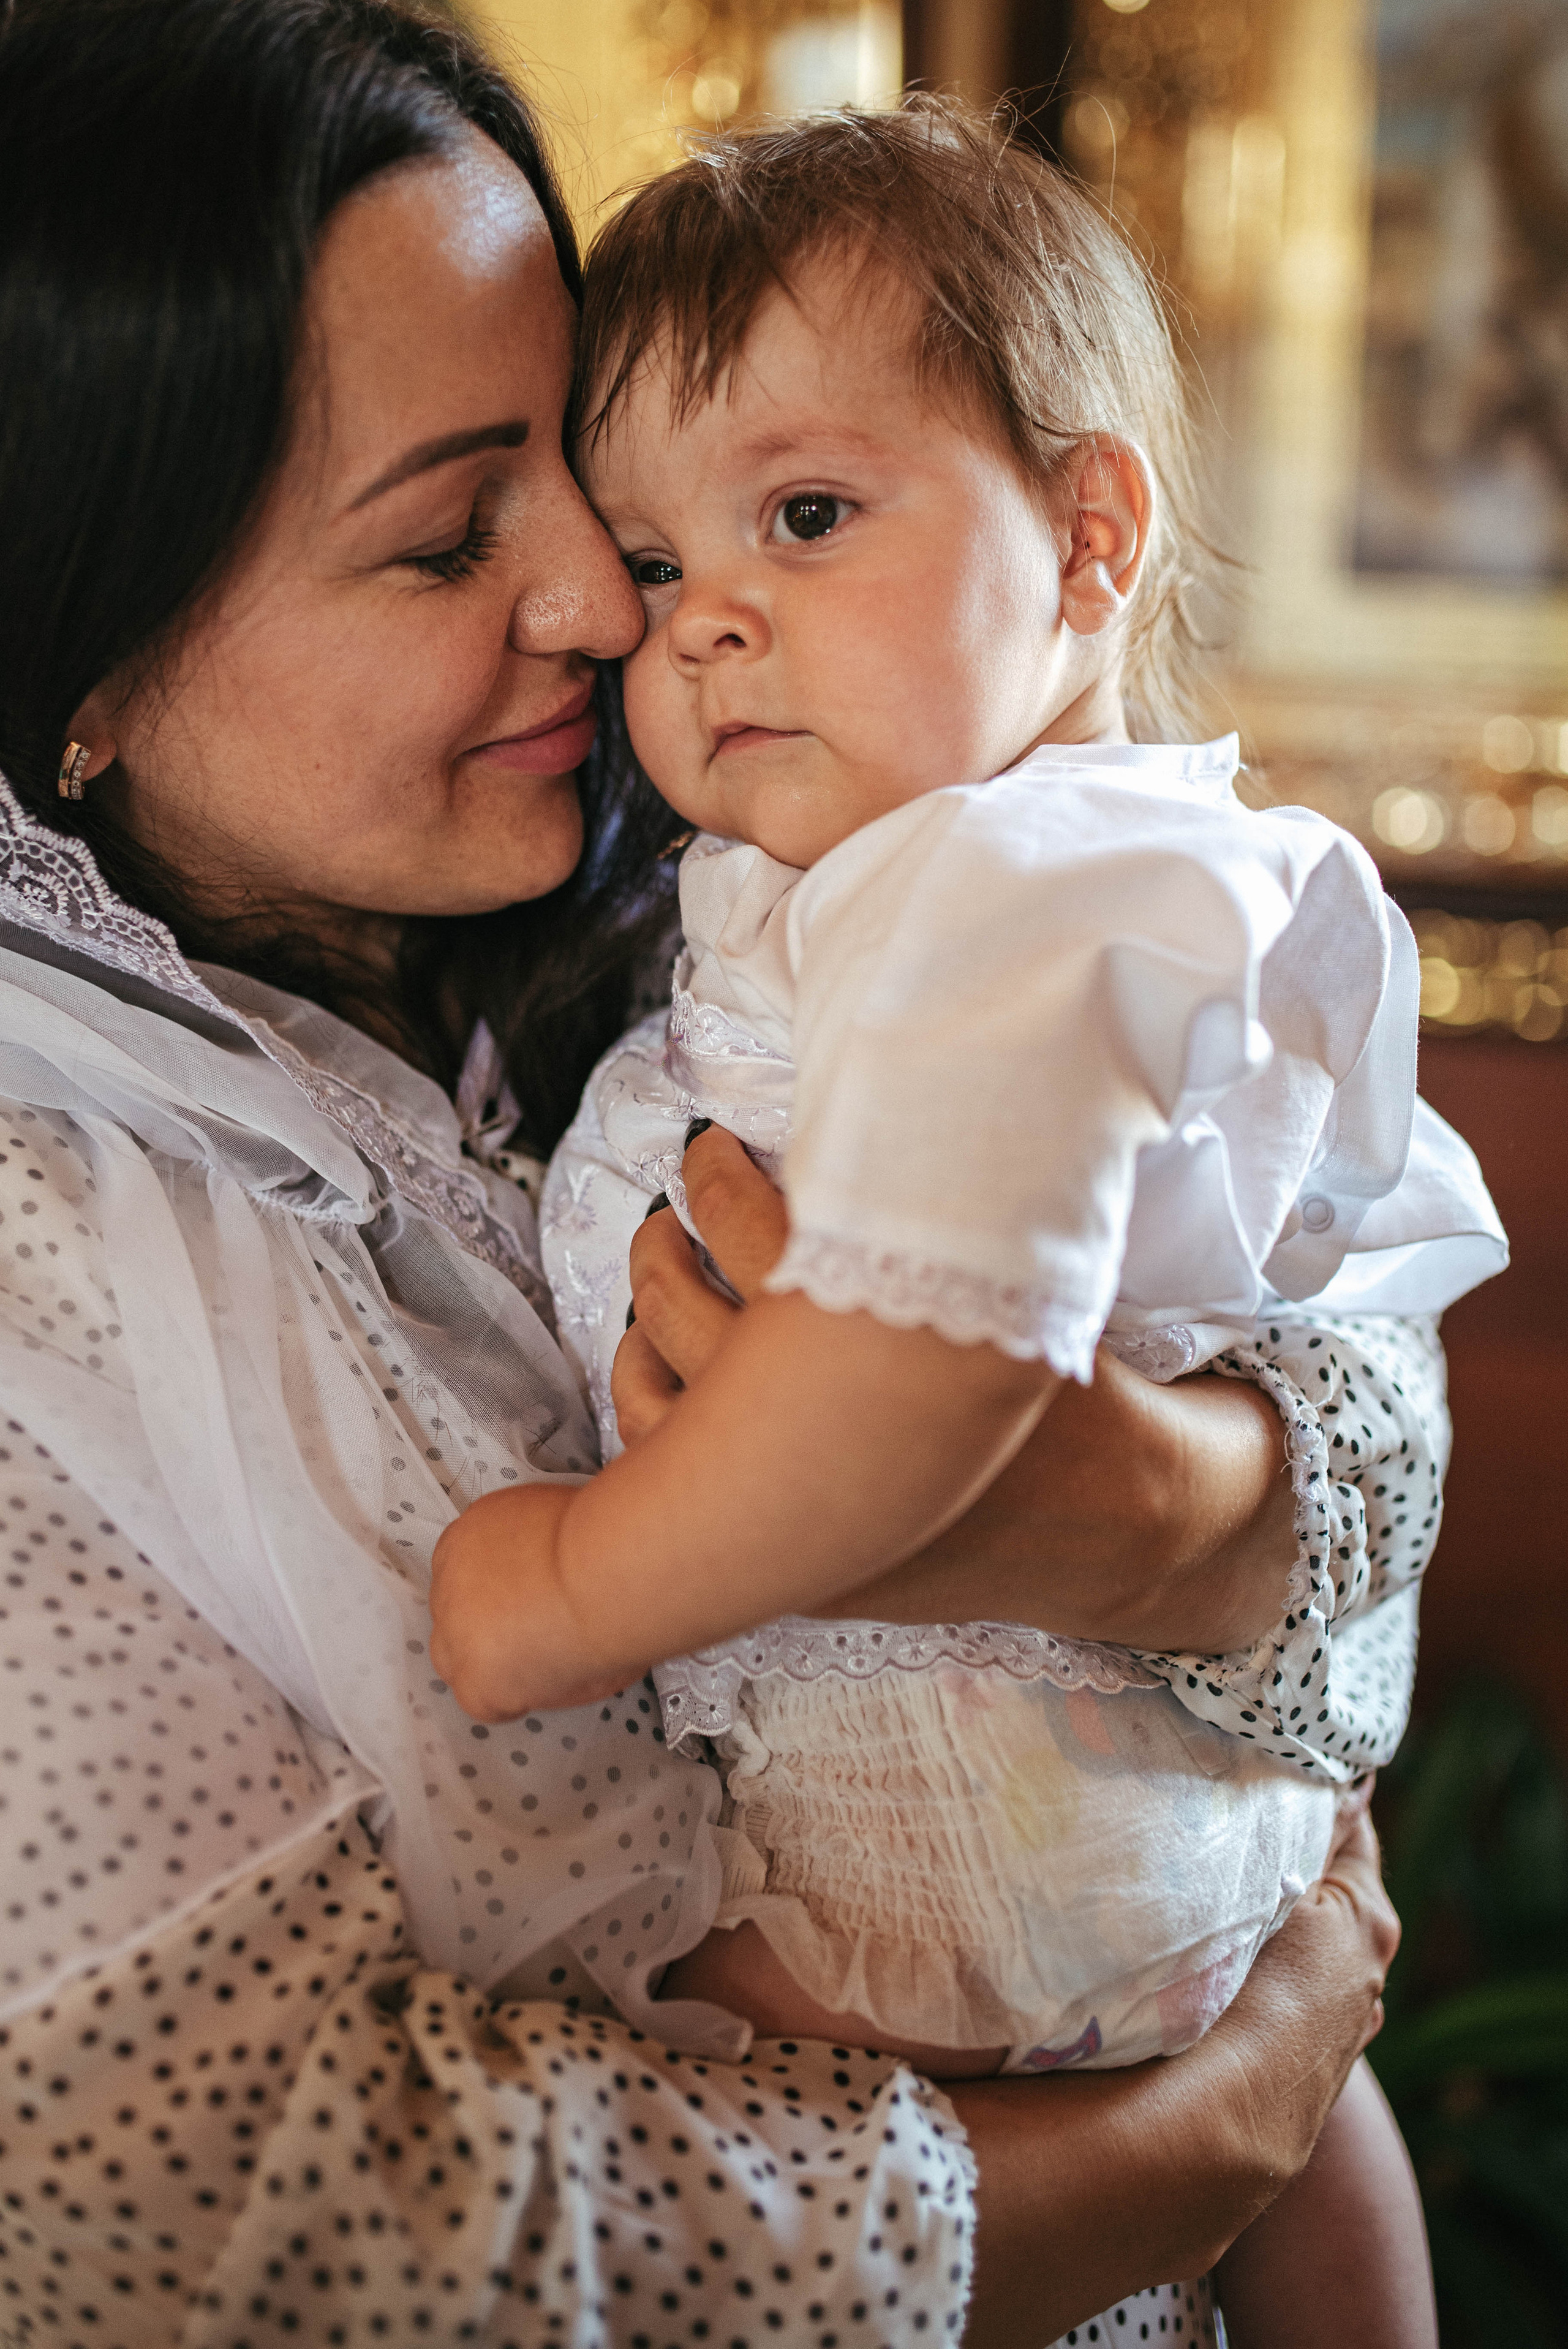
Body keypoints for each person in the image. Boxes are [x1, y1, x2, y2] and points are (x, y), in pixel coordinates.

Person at [0, 2, 1423, 2341]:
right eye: (457, 532)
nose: (608, 605)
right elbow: (277, 2219)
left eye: (585, 482)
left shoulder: (771, 858)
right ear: (95, 654)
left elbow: (1353, 1366)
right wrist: (1204, 2132)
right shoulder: (69, 1246)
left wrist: (1169, 1496)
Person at [424, 104, 1499, 2343]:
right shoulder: (882, 872)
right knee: (1310, 2116)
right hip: (1135, 1829)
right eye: (655, 558)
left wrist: (571, 1584)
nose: (699, 619)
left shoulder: (1009, 887)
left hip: (958, 1868)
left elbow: (931, 1354)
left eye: (808, 515)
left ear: (1089, 537)